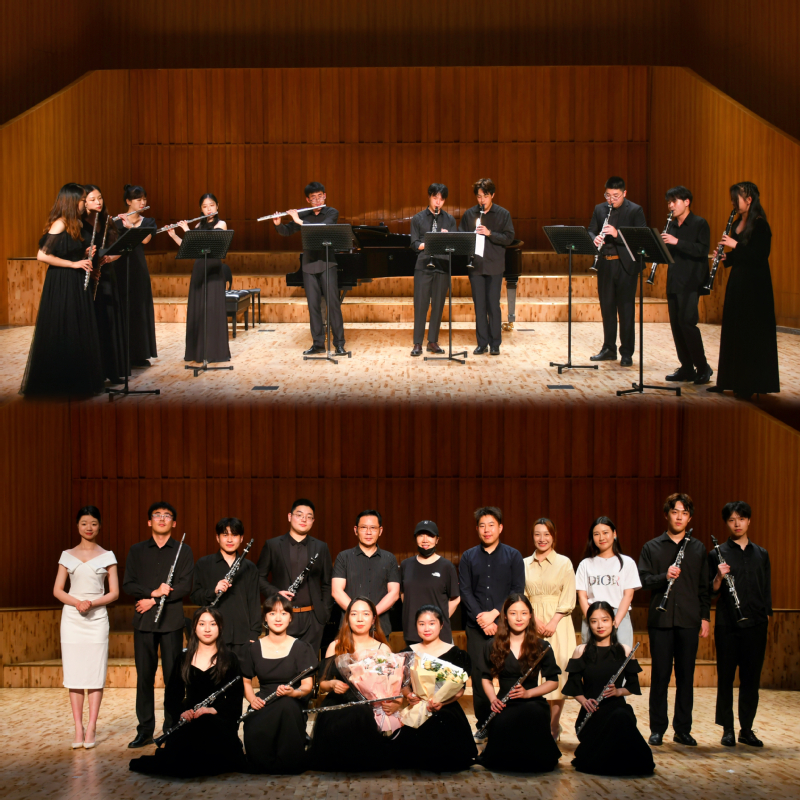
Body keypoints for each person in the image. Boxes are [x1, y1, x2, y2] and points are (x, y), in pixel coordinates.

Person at [129, 607, 246, 778]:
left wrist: (213, 710)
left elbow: (235, 699)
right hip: (189, 718)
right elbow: (171, 696)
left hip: (218, 719)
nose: (207, 629)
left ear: (220, 627)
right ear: (194, 628)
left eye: (213, 624)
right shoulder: (183, 658)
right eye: (202, 624)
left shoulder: (230, 658)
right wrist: (182, 713)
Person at [638, 493, 710, 747]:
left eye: (684, 513)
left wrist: (705, 617)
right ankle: (657, 729)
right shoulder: (651, 547)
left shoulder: (698, 548)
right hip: (661, 619)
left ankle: (683, 729)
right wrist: (664, 576)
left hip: (689, 619)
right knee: (660, 676)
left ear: (689, 518)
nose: (679, 517)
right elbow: (642, 580)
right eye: (675, 512)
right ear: (667, 514)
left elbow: (703, 587)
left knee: (686, 677)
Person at [20, 183, 105, 396]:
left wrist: (84, 254)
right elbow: (42, 255)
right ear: (71, 201)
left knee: (77, 329)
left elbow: (67, 250)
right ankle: (60, 384)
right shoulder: (60, 223)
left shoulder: (77, 223)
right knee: (65, 328)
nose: (84, 203)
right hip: (62, 281)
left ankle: (75, 381)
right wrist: (74, 264)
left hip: (75, 280)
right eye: (82, 200)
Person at [122, 502, 194, 749]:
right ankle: (144, 730)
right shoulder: (137, 550)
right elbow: (128, 584)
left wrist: (153, 600)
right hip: (144, 623)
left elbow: (185, 586)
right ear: (149, 521)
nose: (162, 519)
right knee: (144, 678)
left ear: (174, 523)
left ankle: (171, 727)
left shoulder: (183, 551)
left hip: (171, 622)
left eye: (167, 515)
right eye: (157, 515)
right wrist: (153, 592)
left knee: (174, 678)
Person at [307, 597, 402, 772]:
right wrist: (333, 684)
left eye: (365, 614)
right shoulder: (336, 646)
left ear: (373, 619)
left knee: (361, 714)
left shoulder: (382, 648)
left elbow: (392, 684)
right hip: (339, 702)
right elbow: (322, 684)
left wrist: (395, 702)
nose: (360, 619)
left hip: (370, 704)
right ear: (347, 618)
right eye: (354, 614)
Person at [53, 506, 119, 749]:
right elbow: (58, 590)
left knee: (94, 673)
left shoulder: (108, 556)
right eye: (84, 523)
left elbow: (114, 593)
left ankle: (91, 726)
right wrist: (77, 603)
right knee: (74, 674)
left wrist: (91, 603)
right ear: (77, 526)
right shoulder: (67, 555)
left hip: (97, 617)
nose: (88, 527)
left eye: (93, 523)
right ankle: (78, 727)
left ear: (99, 526)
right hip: (72, 618)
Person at [563, 601, 654, 776]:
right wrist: (584, 701)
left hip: (617, 709)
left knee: (620, 717)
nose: (600, 625)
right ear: (589, 624)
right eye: (594, 621)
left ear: (613, 621)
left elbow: (632, 685)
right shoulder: (581, 651)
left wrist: (619, 691)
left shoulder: (625, 651)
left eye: (605, 620)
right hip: (592, 712)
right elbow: (573, 685)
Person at [707, 182, 780, 398]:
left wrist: (735, 245)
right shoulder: (738, 222)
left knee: (749, 332)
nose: (733, 203)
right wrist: (725, 257)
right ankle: (727, 380)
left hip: (755, 286)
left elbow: (759, 256)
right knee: (733, 329)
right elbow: (740, 256)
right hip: (738, 282)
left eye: (736, 199)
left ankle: (748, 383)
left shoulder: (761, 225)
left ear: (749, 200)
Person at [458, 506, 525, 735]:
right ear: (477, 529)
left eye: (491, 525)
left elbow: (517, 589)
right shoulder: (468, 556)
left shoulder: (513, 556)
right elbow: (465, 591)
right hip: (476, 626)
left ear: (500, 527)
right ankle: (483, 723)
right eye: (482, 526)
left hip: (506, 625)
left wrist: (495, 613)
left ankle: (509, 721)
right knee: (480, 676)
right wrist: (482, 619)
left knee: (510, 672)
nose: (487, 530)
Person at [710, 501, 772, 747]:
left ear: (749, 521)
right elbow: (711, 591)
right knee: (726, 678)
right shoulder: (717, 553)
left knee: (751, 679)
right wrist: (718, 576)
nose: (737, 524)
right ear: (727, 523)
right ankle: (727, 729)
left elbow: (766, 588)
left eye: (741, 519)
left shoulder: (761, 553)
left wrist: (766, 615)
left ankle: (746, 728)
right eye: (732, 519)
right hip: (728, 624)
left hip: (756, 623)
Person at [479, 594, 562, 772]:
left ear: (530, 616)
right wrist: (493, 699)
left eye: (524, 613)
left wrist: (528, 693)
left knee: (533, 714)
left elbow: (553, 682)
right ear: (505, 616)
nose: (519, 618)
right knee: (504, 720)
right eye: (513, 613)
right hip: (503, 701)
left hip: (533, 700)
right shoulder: (492, 645)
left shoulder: (542, 646)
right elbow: (485, 678)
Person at [241, 594, 318, 773]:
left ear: (290, 618)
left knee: (286, 706)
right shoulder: (253, 648)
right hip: (263, 700)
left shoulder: (302, 647)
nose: (278, 618)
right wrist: (252, 699)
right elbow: (246, 681)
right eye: (272, 613)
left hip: (291, 702)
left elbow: (307, 686)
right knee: (255, 737)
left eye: (283, 613)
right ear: (265, 618)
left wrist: (294, 693)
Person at [398, 605, 477, 772]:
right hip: (418, 706)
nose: (426, 628)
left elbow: (459, 689)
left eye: (432, 623)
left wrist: (442, 702)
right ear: (416, 626)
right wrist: (409, 695)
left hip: (446, 707)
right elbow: (403, 684)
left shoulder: (456, 653)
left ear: (441, 625)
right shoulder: (408, 653)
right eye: (421, 624)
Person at [274, 182, 346, 356]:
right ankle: (318, 343)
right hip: (308, 264)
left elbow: (322, 229)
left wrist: (299, 220)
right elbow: (286, 231)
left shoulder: (331, 212)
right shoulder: (304, 214)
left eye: (320, 196)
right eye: (313, 198)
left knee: (333, 304)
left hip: (327, 262)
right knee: (313, 306)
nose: (317, 200)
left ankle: (339, 344)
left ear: (325, 196)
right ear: (308, 200)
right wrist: (278, 224)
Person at [257, 498, 333, 655]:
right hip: (282, 616)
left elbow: (328, 582)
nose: (304, 519)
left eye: (309, 517)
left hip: (312, 619)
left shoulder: (321, 547)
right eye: (299, 515)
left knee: (309, 665)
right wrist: (275, 593)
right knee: (281, 663)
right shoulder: (273, 545)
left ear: (313, 521)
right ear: (289, 517)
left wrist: (323, 613)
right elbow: (258, 578)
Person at [523, 517, 576, 740]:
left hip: (559, 623)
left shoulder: (564, 563)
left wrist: (554, 621)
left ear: (553, 537)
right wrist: (533, 619)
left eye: (546, 534)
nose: (542, 538)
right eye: (537, 534)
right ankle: (536, 722)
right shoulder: (523, 563)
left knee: (558, 673)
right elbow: (522, 595)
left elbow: (569, 595)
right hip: (530, 622)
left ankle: (554, 726)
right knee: (532, 673)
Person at [587, 176, 647, 366]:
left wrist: (617, 234)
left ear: (624, 193)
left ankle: (627, 352)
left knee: (626, 310)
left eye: (615, 196)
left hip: (625, 266)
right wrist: (594, 238)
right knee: (607, 309)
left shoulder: (635, 210)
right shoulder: (600, 209)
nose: (611, 200)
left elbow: (641, 237)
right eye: (608, 195)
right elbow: (591, 230)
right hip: (605, 264)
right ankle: (609, 349)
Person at [659, 186, 713, 385]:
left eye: (674, 201)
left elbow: (701, 250)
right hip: (674, 280)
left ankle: (703, 367)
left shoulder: (700, 223)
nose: (670, 205)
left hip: (691, 281)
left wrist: (676, 242)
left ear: (687, 202)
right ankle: (687, 367)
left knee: (687, 324)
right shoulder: (671, 225)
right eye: (669, 202)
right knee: (676, 326)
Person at [168, 193, 231, 364]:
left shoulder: (221, 224)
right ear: (201, 209)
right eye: (205, 206)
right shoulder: (198, 225)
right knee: (198, 310)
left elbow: (208, 244)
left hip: (213, 270)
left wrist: (187, 231)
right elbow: (189, 247)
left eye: (211, 205)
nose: (208, 209)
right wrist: (174, 235)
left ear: (217, 206)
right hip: (199, 270)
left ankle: (214, 352)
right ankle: (198, 352)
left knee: (212, 309)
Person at [191, 517, 260, 663]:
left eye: (234, 535)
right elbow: (195, 596)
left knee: (241, 676)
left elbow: (254, 602)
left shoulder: (250, 567)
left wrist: (254, 634)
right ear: (217, 538)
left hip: (243, 637)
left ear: (241, 539)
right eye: (225, 535)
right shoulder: (204, 564)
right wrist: (213, 591)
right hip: (214, 635)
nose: (229, 539)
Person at [458, 178, 515, 356]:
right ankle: (482, 343)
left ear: (492, 195)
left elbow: (509, 238)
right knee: (479, 306)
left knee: (493, 305)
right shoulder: (469, 214)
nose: (482, 200)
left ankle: (495, 343)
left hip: (494, 266)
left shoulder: (503, 214)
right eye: (479, 196)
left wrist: (490, 233)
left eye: (485, 196)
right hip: (476, 266)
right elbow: (461, 236)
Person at [82, 185, 127, 385]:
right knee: (94, 323)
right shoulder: (78, 223)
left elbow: (119, 250)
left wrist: (109, 258)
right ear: (83, 202)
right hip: (87, 276)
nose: (98, 202)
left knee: (109, 321)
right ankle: (95, 373)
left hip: (107, 275)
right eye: (92, 199)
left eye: (99, 198)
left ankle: (113, 370)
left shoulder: (107, 221)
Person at [332, 509, 400, 637]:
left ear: (380, 531)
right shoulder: (343, 557)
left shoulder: (389, 558)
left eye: (373, 528)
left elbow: (394, 593)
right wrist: (358, 615)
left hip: (380, 627)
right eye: (363, 527)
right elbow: (336, 591)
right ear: (356, 530)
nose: (368, 532)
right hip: (349, 627)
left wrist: (371, 614)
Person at [575, 516, 641, 648]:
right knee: (591, 657)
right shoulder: (585, 564)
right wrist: (592, 619)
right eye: (596, 534)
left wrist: (615, 622)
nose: (601, 538)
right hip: (592, 615)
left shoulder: (627, 562)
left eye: (605, 533)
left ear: (614, 534)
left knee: (621, 656)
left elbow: (628, 595)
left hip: (618, 615)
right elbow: (582, 596)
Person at [409, 183, 457, 356]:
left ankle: (432, 341)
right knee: (420, 305)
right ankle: (417, 343)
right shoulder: (418, 218)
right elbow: (414, 243)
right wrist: (429, 242)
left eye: (441, 199)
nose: (438, 202)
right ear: (429, 197)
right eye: (435, 198)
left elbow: (454, 245)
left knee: (438, 305)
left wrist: (446, 238)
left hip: (442, 265)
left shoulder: (450, 220)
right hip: (423, 265)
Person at [115, 184, 157, 367]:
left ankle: (140, 354)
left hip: (138, 269)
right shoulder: (116, 222)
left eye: (144, 199)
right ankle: (121, 354)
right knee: (122, 309)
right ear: (128, 201)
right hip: (119, 267)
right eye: (138, 199)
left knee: (139, 309)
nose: (142, 202)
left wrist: (130, 226)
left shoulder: (148, 222)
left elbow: (145, 239)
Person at [399, 520, 460, 644]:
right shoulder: (406, 565)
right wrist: (417, 619)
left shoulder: (447, 567)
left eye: (430, 535)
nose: (425, 540)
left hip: (439, 635)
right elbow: (403, 594)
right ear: (415, 538)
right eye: (421, 535)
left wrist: (436, 621)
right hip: (413, 632)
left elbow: (455, 599)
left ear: (437, 540)